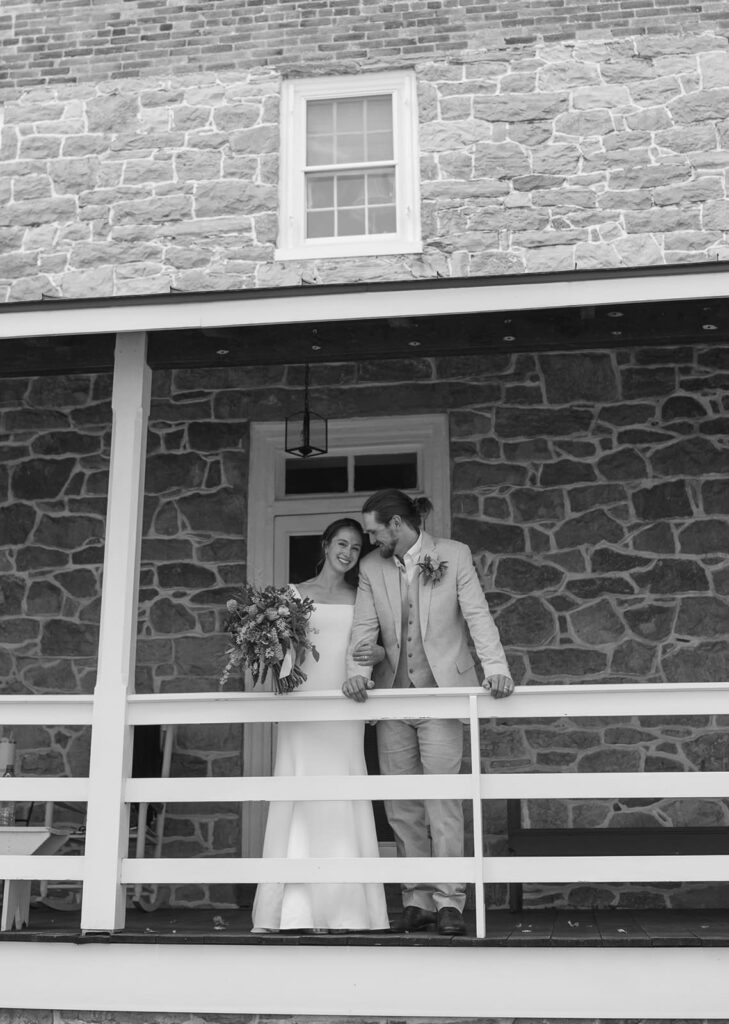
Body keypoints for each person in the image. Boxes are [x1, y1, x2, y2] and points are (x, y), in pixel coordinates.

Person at [342, 489, 514, 937]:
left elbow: (477, 615)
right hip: (393, 697)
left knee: (443, 804)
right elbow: (364, 627)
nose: (370, 538)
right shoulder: (370, 568)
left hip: (442, 695)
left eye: (374, 530)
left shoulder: (453, 555)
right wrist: (359, 670)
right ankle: (415, 899)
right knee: (402, 809)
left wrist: (496, 669)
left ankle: (450, 900)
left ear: (397, 525)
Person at [251, 518, 390, 934]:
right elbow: (276, 654)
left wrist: (377, 654)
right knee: (299, 796)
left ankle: (345, 911)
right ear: (327, 545)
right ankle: (292, 911)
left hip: (344, 707)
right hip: (303, 709)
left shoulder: (361, 598)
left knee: (341, 797)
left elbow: (379, 649)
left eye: (355, 547)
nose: (347, 553)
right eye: (341, 544)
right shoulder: (292, 595)